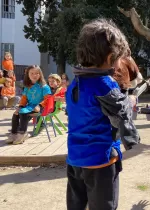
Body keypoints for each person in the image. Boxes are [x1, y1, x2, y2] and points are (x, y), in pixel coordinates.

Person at [66, 18, 136, 210]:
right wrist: (130, 101)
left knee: (77, 206)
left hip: (75, 160)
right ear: (110, 57)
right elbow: (122, 114)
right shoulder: (105, 83)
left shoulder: (75, 82)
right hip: (100, 163)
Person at [6, 65, 51, 145]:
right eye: (32, 73)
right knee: (16, 113)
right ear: (28, 75)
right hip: (30, 107)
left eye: (37, 73)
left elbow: (48, 99)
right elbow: (24, 99)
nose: (34, 75)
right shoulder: (27, 86)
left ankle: (22, 133)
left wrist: (39, 106)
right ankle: (14, 133)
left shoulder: (44, 86)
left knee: (23, 112)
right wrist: (20, 107)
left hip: (41, 107)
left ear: (40, 74)